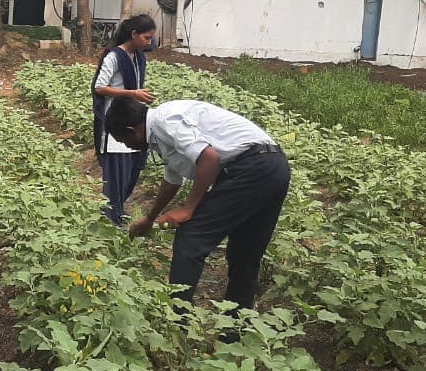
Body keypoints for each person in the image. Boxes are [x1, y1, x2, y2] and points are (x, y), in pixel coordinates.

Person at [105, 96, 290, 311]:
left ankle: (176, 323)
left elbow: (209, 159)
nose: (130, 147)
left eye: (126, 142)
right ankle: (235, 334)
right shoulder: (161, 130)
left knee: (191, 238)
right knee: (244, 256)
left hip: (249, 168)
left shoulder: (165, 122)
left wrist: (188, 209)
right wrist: (150, 218)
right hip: (274, 167)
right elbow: (172, 180)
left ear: (131, 131)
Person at [92, 15, 156, 226]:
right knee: (117, 173)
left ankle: (118, 209)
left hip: (134, 119)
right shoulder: (114, 56)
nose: (149, 42)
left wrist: (136, 96)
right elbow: (100, 87)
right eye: (146, 37)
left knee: (132, 170)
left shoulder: (138, 57)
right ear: (134, 34)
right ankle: (112, 215)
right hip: (116, 122)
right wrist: (132, 93)